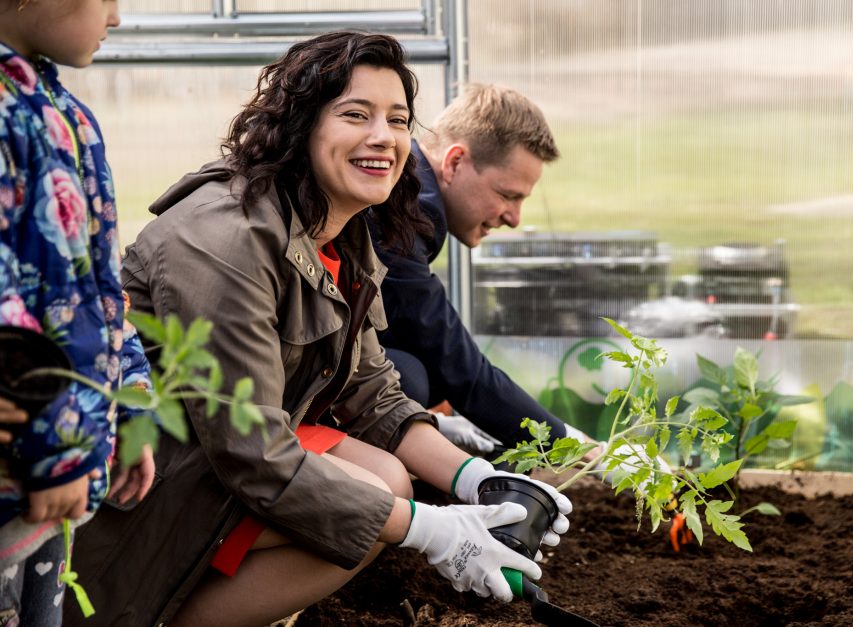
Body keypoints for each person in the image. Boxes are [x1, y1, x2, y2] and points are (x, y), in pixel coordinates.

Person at [65, 32, 571, 627]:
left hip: (209, 460)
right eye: (356, 114)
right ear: (302, 124)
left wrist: (477, 480)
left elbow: (372, 390)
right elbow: (250, 446)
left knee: (384, 483)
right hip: (144, 484)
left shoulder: (340, 235)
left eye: (399, 119)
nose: (383, 136)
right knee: (374, 502)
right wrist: (431, 532)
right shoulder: (226, 239)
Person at [0, 0, 156, 624]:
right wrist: (56, 451)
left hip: (52, 461)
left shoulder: (59, 110)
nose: (116, 19)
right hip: (22, 463)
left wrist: (128, 400)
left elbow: (94, 285)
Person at [367, 84, 596, 454]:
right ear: (455, 161)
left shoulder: (411, 190)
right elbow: (456, 361)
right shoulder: (407, 206)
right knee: (406, 377)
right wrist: (579, 450)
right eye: (508, 195)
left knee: (414, 373)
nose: (515, 218)